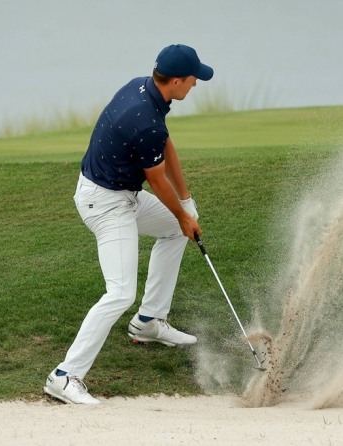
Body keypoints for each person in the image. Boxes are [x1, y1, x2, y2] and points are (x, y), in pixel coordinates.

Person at [43, 44, 213, 405]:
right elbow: (156, 178)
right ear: (178, 80)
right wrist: (184, 215)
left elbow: (165, 146)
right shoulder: (145, 118)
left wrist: (185, 205)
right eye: (194, 78)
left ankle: (150, 321)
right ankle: (64, 376)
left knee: (173, 229)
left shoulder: (143, 88)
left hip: (118, 192)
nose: (196, 84)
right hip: (105, 204)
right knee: (119, 292)